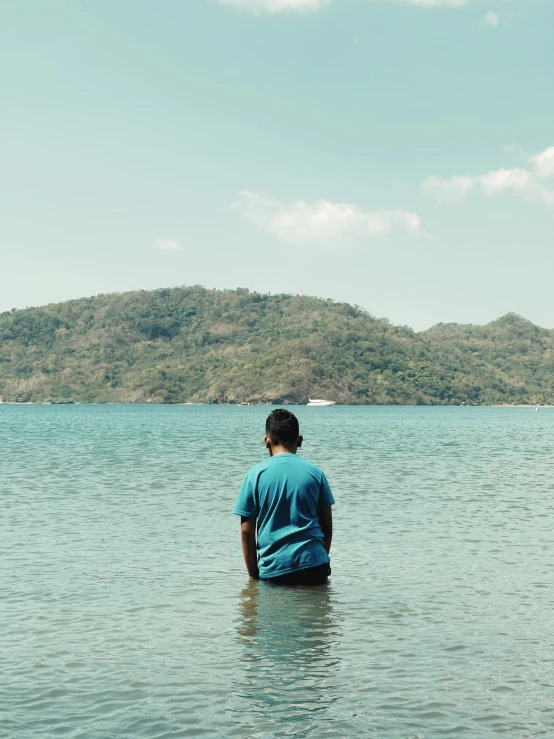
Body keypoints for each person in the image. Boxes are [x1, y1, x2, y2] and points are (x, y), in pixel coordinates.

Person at [233, 408, 335, 586]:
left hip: (274, 569)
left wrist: (253, 577)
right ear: (300, 441)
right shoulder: (316, 474)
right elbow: (326, 527)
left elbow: (246, 531)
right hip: (314, 566)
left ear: (266, 441)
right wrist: (319, 559)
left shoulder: (254, 475)